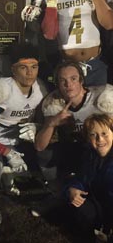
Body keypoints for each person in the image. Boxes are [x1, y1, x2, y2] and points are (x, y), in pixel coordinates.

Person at [0, 42, 47, 226]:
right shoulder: (3, 89)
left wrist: (37, 126)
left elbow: (41, 121)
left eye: (34, 67)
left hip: (18, 141)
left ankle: (10, 177)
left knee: (48, 152)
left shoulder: (40, 88)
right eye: (23, 67)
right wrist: (7, 152)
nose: (30, 73)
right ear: (13, 69)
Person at [35, 0, 113, 86]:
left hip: (95, 63)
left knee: (99, 106)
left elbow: (109, 23)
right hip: (68, 67)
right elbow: (49, 34)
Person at [34, 61, 113, 194]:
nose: (68, 84)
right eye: (62, 80)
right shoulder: (54, 102)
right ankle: (57, 191)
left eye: (73, 79)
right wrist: (52, 122)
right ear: (57, 84)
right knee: (45, 155)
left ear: (81, 80)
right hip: (77, 148)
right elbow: (39, 146)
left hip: (103, 149)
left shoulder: (103, 97)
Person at [64, 113, 113, 242]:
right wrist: (72, 189)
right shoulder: (89, 156)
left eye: (104, 133)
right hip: (99, 206)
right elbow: (81, 178)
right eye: (93, 134)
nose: (99, 139)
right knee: (80, 207)